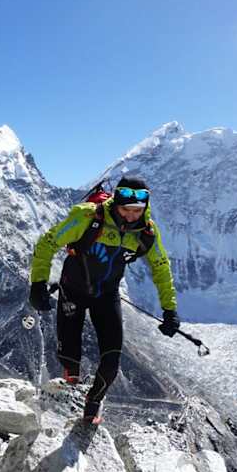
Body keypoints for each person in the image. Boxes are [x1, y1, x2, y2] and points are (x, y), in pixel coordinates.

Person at [29, 176, 180, 423]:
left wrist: (169, 310)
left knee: (112, 359)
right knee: (70, 357)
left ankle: (93, 403)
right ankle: (69, 390)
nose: (131, 216)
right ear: (115, 205)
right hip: (72, 290)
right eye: (126, 210)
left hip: (106, 296)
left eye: (137, 211)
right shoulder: (88, 217)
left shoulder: (147, 231)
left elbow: (161, 267)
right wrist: (37, 284)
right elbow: (47, 243)